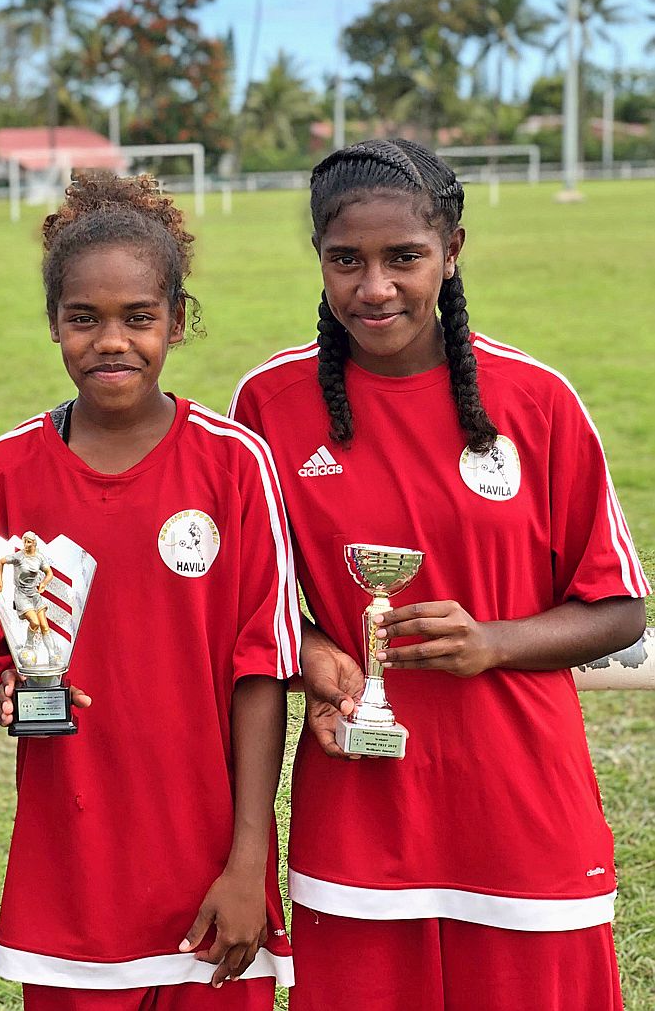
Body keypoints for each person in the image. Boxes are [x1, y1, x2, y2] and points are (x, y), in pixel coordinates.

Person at [229, 138, 649, 1011]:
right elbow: (250, 599)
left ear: (451, 250)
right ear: (318, 259)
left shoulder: (536, 401)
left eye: (403, 258)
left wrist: (492, 641)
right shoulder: (268, 405)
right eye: (346, 259)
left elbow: (619, 607)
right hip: (358, 808)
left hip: (522, 808)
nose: (373, 287)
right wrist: (312, 653)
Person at [0, 172, 299, 1011]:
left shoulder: (232, 462)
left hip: (211, 870)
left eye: (137, 318)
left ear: (175, 322)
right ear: (53, 324)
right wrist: (11, 689)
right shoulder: (7, 470)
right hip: (72, 872)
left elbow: (261, 670)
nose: (111, 341)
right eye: (84, 318)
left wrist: (248, 858)